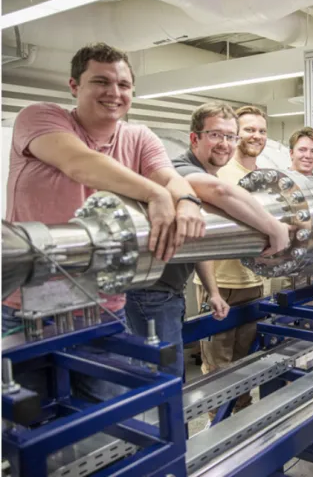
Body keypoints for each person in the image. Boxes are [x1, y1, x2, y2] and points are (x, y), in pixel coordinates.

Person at [2, 42, 205, 400]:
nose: (114, 93)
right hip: (28, 310)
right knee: (30, 428)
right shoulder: (39, 117)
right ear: (74, 85)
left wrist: (185, 197)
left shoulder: (138, 136)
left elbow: (169, 176)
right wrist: (157, 195)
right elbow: (80, 163)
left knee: (109, 427)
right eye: (101, 82)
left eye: (124, 85)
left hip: (102, 311)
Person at [124, 102, 290, 378]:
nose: (224, 143)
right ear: (194, 138)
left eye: (229, 136)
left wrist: (212, 292)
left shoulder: (201, 174)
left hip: (167, 291)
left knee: (167, 375)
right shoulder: (179, 169)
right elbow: (219, 191)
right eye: (215, 135)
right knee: (161, 380)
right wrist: (275, 228)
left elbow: (200, 240)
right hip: (151, 292)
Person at [195, 105, 280, 421]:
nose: (256, 135)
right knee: (219, 366)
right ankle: (217, 428)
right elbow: (203, 235)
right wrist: (211, 291)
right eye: (249, 129)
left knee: (245, 362)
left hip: (254, 284)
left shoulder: (263, 177)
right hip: (222, 285)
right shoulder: (220, 173)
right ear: (236, 134)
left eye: (261, 130)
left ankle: (240, 422)